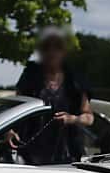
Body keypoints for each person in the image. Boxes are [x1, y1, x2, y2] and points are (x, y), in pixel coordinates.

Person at [11, 27, 94, 164]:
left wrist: (72, 119)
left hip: (66, 153)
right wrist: (10, 131)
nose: (51, 52)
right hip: (31, 153)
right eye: (47, 48)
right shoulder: (31, 76)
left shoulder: (74, 80)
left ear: (64, 51)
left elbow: (89, 118)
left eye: (57, 48)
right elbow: (15, 109)